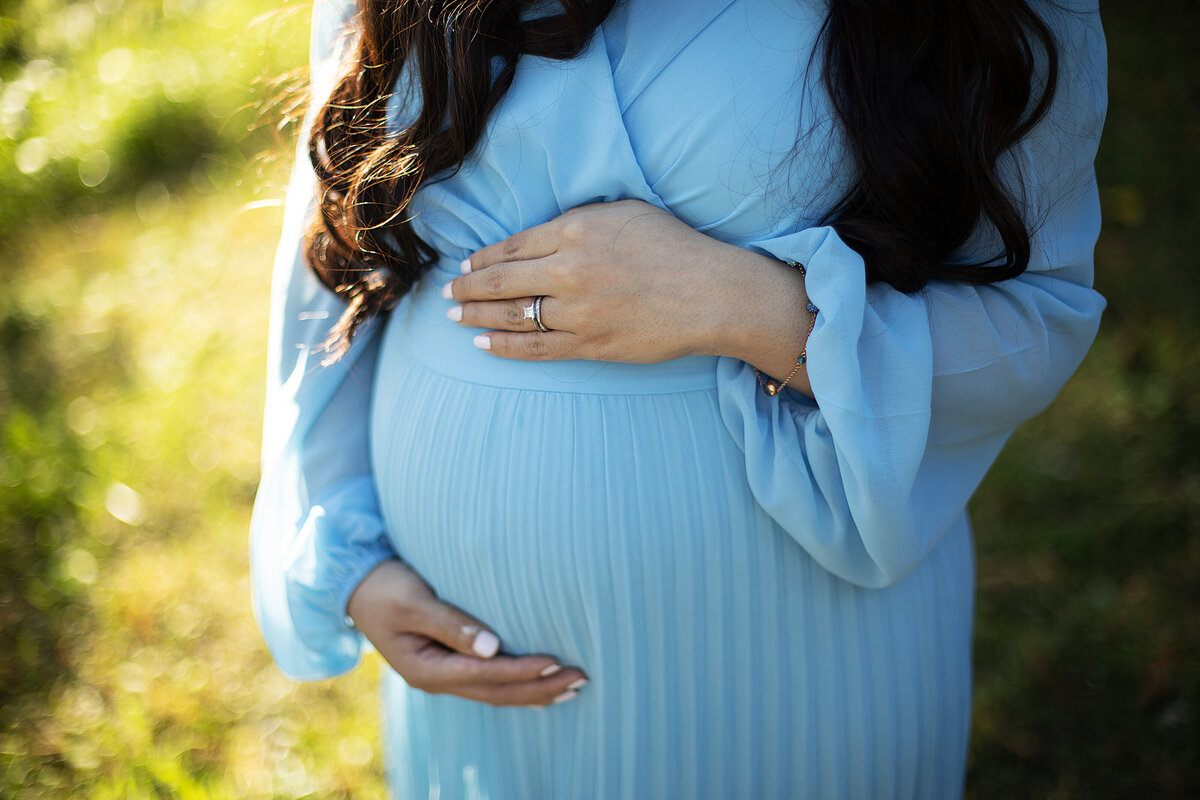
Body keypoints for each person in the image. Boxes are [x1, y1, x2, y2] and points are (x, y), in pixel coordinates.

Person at [250, 0, 1107, 797]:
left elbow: (1039, 315)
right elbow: (338, 227)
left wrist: (744, 305)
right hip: (479, 689)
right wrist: (343, 545)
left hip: (793, 666)